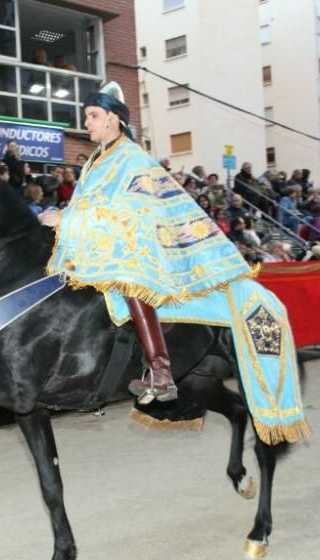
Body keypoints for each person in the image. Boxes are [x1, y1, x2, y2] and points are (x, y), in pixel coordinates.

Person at [40, 82, 252, 404]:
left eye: (93, 116)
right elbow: (87, 204)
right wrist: (62, 215)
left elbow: (130, 211)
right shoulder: (95, 161)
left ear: (113, 119)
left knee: (130, 281)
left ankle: (161, 371)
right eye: (87, 116)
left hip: (135, 244)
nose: (87, 123)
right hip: (98, 241)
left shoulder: (131, 158)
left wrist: (69, 221)